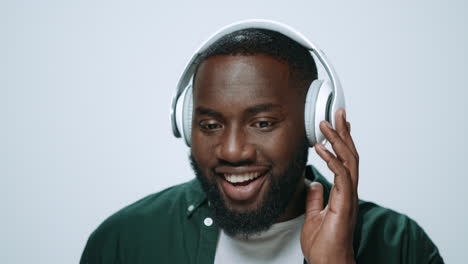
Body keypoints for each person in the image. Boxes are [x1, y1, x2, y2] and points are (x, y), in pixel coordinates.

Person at [80, 21, 444, 264]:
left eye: (263, 122)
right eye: (209, 124)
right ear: (185, 124)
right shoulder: (123, 243)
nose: (233, 150)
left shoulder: (401, 247)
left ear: (313, 124)